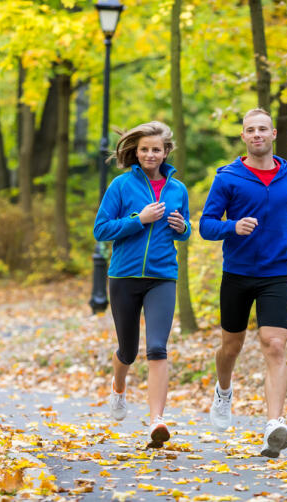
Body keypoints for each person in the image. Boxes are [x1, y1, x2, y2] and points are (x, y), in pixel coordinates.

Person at [199, 108, 287, 458]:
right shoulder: (228, 178)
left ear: (274, 133)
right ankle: (223, 392)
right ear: (243, 137)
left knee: (275, 344)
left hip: (276, 271)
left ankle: (274, 425)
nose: (257, 135)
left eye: (262, 129)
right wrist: (231, 227)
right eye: (250, 130)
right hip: (237, 272)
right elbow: (206, 224)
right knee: (231, 347)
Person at [93, 121, 191, 448]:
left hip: (163, 276)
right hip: (124, 276)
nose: (151, 154)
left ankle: (157, 421)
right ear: (136, 152)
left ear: (166, 153)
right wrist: (139, 220)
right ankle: (118, 387)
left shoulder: (178, 189)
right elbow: (101, 230)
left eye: (156, 149)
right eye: (145, 149)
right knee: (128, 350)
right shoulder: (121, 186)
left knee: (158, 347)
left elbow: (185, 230)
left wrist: (182, 227)